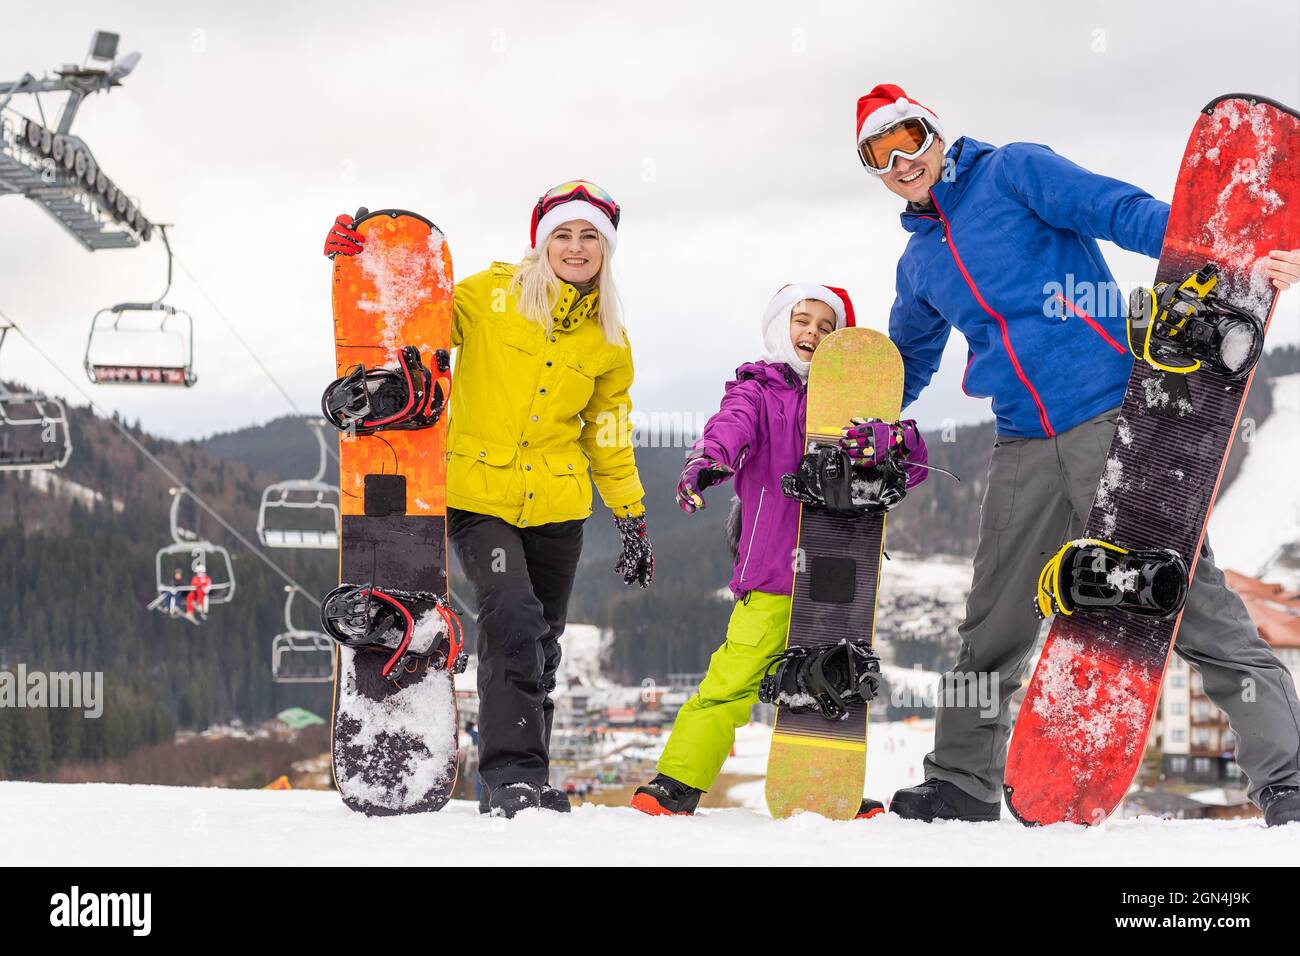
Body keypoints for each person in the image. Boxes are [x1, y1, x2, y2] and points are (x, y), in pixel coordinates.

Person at [856, 83, 1300, 824]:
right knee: (991, 622)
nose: (902, 161)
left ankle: (1286, 777)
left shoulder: (1015, 171)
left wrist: (1232, 260)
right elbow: (908, 362)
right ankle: (962, 782)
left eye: (909, 138)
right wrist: (855, 416)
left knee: (1187, 605)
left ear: (935, 133)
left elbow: (1116, 210)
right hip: (1021, 441)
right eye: (880, 153)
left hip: (1110, 419)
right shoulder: (919, 263)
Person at [324, 180, 653, 818]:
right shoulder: (490, 295)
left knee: (541, 642)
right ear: (542, 241)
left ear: (607, 249)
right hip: (479, 496)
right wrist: (366, 260)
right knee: (511, 618)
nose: (577, 247)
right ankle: (511, 780)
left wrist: (632, 516)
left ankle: (527, 772)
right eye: (564, 234)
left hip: (558, 507)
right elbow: (411, 320)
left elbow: (608, 435)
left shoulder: (609, 340)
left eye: (590, 236)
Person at [630, 284, 929, 816]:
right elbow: (729, 427)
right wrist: (709, 461)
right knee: (732, 679)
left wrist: (892, 442)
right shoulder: (758, 390)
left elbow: (915, 461)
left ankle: (829, 784)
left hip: (839, 572)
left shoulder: (858, 400)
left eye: (826, 326)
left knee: (834, 673)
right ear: (780, 327)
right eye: (802, 320)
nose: (812, 332)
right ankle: (677, 781)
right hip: (772, 571)